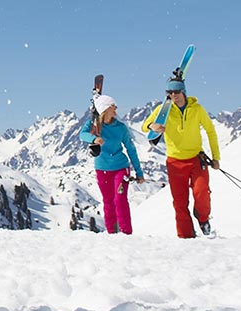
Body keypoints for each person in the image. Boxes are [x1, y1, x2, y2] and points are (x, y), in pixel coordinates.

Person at [140, 76, 221, 238]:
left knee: (202, 192)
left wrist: (216, 157)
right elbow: (144, 126)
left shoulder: (196, 109)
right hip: (175, 163)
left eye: (176, 92)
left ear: (183, 92)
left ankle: (203, 219)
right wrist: (152, 125)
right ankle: (186, 237)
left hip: (197, 159)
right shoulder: (162, 110)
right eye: (169, 92)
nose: (173, 95)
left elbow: (210, 131)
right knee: (179, 202)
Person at [79, 92, 145, 234]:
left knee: (120, 200)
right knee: (108, 202)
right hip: (102, 168)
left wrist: (139, 172)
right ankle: (112, 234)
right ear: (105, 109)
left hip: (121, 168)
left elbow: (131, 149)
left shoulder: (120, 127)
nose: (116, 108)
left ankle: (126, 233)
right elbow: (82, 135)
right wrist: (94, 139)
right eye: (113, 106)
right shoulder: (93, 125)